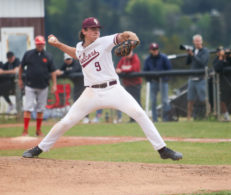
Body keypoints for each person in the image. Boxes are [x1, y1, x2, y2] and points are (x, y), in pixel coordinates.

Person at [22, 17, 182, 161]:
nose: (96, 31)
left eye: (98, 29)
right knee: (66, 122)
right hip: (91, 93)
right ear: (84, 31)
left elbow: (127, 35)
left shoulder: (104, 41)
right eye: (92, 29)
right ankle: (40, 148)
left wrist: (133, 40)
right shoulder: (80, 47)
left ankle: (162, 149)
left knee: (140, 114)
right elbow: (76, 53)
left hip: (113, 89)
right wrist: (57, 44)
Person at [18, 35, 57, 136]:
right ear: (35, 44)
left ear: (44, 44)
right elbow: (21, 67)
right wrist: (20, 79)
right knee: (28, 107)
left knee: (41, 109)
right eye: (38, 44)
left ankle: (38, 130)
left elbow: (53, 71)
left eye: (41, 44)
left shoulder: (48, 56)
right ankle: (25, 130)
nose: (40, 46)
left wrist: (54, 84)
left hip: (43, 85)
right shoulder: (28, 54)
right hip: (30, 85)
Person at [55, 53, 90, 123]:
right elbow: (60, 71)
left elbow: (72, 71)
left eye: (69, 59)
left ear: (72, 59)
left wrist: (62, 72)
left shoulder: (76, 64)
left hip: (83, 84)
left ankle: (86, 118)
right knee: (76, 101)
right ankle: (76, 118)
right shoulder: (65, 65)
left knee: (84, 101)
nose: (68, 61)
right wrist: (58, 72)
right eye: (66, 59)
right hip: (76, 85)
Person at [144, 43, 172, 122]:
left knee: (165, 100)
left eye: (156, 49)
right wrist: (149, 79)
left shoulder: (163, 57)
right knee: (153, 101)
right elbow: (145, 70)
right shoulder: (148, 59)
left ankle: (166, 119)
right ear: (150, 50)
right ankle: (155, 119)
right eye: (153, 49)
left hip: (163, 81)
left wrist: (166, 78)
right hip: (153, 82)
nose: (155, 51)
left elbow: (169, 69)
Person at [213, 47, 231, 121]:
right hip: (223, 82)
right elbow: (217, 68)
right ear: (217, 53)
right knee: (222, 100)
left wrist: (230, 56)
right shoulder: (216, 60)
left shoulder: (230, 58)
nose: (223, 53)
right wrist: (221, 58)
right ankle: (226, 116)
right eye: (220, 52)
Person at [185, 34, 209, 120]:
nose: (197, 43)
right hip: (192, 78)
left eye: (199, 41)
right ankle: (188, 117)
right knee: (190, 99)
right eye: (196, 41)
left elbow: (202, 62)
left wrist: (193, 55)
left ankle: (208, 115)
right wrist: (189, 54)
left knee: (204, 99)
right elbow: (187, 63)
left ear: (201, 41)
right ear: (193, 42)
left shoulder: (205, 51)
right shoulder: (193, 51)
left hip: (201, 78)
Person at [116, 50, 142, 123]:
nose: (126, 55)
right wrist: (122, 69)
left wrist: (122, 69)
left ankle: (140, 119)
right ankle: (132, 119)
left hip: (135, 84)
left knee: (136, 102)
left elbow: (134, 68)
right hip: (127, 84)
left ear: (131, 52)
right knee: (129, 102)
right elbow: (117, 68)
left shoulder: (135, 58)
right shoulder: (123, 59)